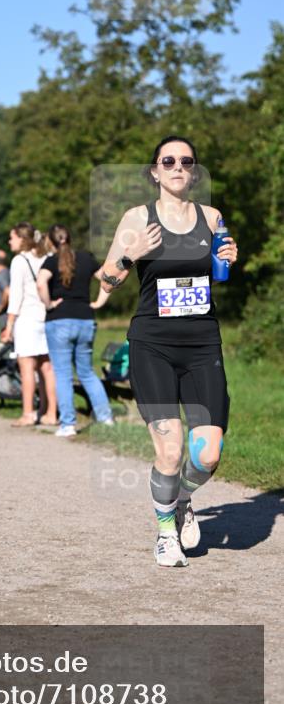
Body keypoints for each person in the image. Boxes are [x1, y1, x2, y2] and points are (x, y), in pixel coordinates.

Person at [97, 135, 237, 568]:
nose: (179, 167)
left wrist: (229, 255)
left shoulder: (212, 218)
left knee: (208, 453)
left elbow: (220, 272)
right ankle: (164, 534)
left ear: (193, 171)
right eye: (169, 160)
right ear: (155, 171)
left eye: (187, 161)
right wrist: (128, 257)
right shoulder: (136, 218)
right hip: (152, 345)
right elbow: (106, 280)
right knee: (170, 449)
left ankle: (182, 498)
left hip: (201, 344)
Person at [37, 225, 114, 438]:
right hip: (85, 320)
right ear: (69, 238)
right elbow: (109, 279)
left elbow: (41, 282)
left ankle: (68, 424)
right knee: (87, 372)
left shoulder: (50, 261)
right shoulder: (86, 258)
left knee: (62, 374)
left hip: (58, 320)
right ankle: (106, 418)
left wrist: (49, 304)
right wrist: (98, 302)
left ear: (50, 242)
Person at [1, 223, 57, 427]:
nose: (10, 241)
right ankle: (50, 412)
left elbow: (15, 296)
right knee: (47, 367)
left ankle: (28, 413)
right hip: (46, 316)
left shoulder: (19, 261)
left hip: (27, 319)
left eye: (12, 237)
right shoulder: (46, 256)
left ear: (22, 239)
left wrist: (9, 325)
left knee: (27, 368)